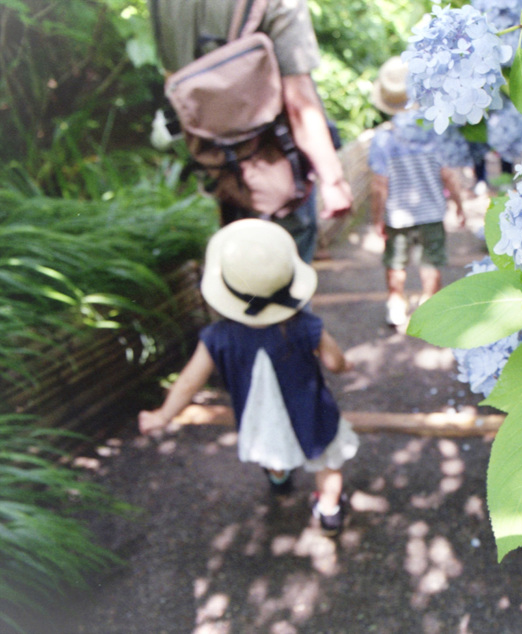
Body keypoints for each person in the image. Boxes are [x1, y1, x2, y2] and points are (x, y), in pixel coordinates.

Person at [138, 219, 359, 535]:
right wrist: (345, 365)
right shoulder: (305, 325)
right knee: (327, 461)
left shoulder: (217, 337)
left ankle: (279, 476)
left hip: (260, 419)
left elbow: (188, 381)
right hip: (312, 414)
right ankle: (329, 511)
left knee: (273, 449)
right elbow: (333, 361)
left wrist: (163, 415)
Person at [149, 0, 352, 263]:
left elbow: (172, 78)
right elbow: (298, 99)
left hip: (217, 162)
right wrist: (333, 180)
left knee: (244, 274)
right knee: (283, 277)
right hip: (277, 162)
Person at [369, 56, 466, 327]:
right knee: (431, 261)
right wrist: (459, 205)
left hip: (397, 217)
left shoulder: (383, 139)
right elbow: (448, 175)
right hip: (432, 213)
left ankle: (396, 305)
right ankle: (430, 308)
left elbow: (379, 186)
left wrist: (377, 218)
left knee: (396, 262)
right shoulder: (433, 133)